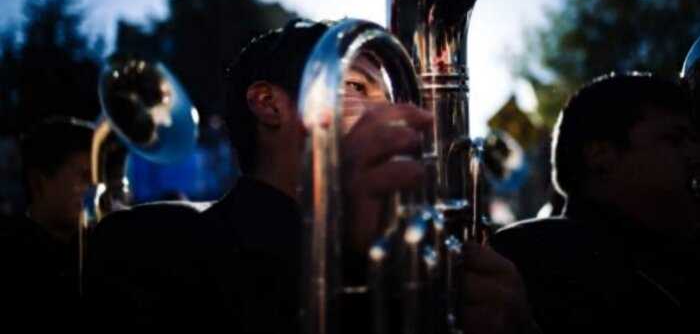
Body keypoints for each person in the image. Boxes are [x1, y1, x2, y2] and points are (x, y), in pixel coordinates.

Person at [86, 19, 538, 333]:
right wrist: (350, 263)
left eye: (389, 97)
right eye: (357, 88)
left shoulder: (420, 255)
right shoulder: (153, 245)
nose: (392, 115)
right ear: (269, 104)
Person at [491, 72, 700, 333]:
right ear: (599, 155)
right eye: (674, 139)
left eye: (695, 141)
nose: (694, 155)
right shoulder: (529, 257)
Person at [0, 117, 93, 326]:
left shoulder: (100, 245)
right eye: (84, 176)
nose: (95, 188)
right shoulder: (11, 252)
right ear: (38, 183)